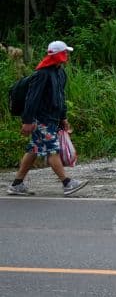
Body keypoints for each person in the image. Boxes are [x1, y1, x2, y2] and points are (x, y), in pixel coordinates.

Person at [7, 40, 88, 197]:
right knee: (52, 150)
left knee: (33, 150)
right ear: (58, 55)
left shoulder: (60, 73)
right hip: (41, 119)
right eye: (65, 53)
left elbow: (61, 97)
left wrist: (63, 117)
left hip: (52, 118)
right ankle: (67, 183)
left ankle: (17, 184)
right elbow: (32, 99)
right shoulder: (42, 74)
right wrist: (27, 121)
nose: (67, 55)